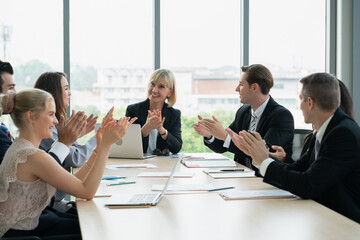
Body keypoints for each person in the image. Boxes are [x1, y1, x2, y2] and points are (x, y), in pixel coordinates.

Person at [0, 88, 137, 238]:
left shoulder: (22, 148)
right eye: (51, 114)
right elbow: (87, 192)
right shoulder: (32, 156)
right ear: (30, 116)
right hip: (20, 234)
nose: (56, 121)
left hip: (26, 227)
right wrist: (106, 146)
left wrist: (98, 149)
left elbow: (76, 182)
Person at [227, 72, 360, 223]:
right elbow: (299, 169)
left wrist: (264, 160)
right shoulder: (322, 130)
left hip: (343, 223)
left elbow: (308, 184)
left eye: (300, 98)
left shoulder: (342, 133)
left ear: (309, 103)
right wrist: (259, 156)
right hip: (321, 216)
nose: (299, 105)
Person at [193, 64, 294, 175]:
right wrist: (210, 135)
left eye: (241, 84)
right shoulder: (243, 112)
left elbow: (262, 153)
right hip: (242, 177)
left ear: (254, 87)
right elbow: (223, 146)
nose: (237, 89)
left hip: (268, 181)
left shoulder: (281, 116)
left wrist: (224, 136)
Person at [34, 71, 99, 212]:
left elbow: (73, 152)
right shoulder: (44, 127)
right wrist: (100, 140)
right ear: (53, 93)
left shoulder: (55, 122)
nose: (69, 93)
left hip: (56, 202)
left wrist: (76, 135)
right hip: (50, 207)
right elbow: (75, 158)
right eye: (66, 88)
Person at [0, 62, 87, 165]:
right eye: (10, 88)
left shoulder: (4, 131)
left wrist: (68, 140)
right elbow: (36, 168)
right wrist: (64, 142)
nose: (15, 92)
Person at [126, 69, 182, 155]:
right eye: (152, 84)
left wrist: (161, 130)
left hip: (162, 165)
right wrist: (146, 129)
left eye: (161, 86)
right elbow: (128, 145)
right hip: (138, 163)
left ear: (170, 92)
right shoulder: (133, 110)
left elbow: (176, 148)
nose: (154, 90)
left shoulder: (174, 114)